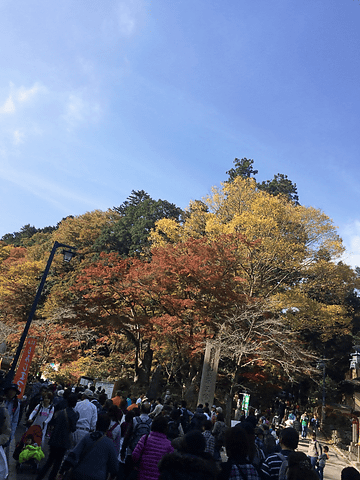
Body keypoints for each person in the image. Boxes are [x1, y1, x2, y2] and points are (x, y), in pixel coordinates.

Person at [57, 413, 118, 480]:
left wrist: (62, 471)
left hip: (80, 473)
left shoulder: (88, 437)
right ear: (107, 427)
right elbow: (114, 466)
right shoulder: (110, 443)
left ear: (97, 423)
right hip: (98, 476)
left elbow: (74, 454)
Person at [35, 394, 79, 480]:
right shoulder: (74, 414)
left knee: (49, 461)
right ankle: (51, 478)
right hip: (64, 441)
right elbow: (73, 429)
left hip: (54, 439)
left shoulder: (60, 412)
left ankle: (39, 477)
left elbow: (53, 423)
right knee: (57, 464)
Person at [132, 415, 174, 480]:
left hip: (141, 476)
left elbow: (135, 456)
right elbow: (170, 465)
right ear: (166, 428)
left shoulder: (145, 438)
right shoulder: (169, 445)